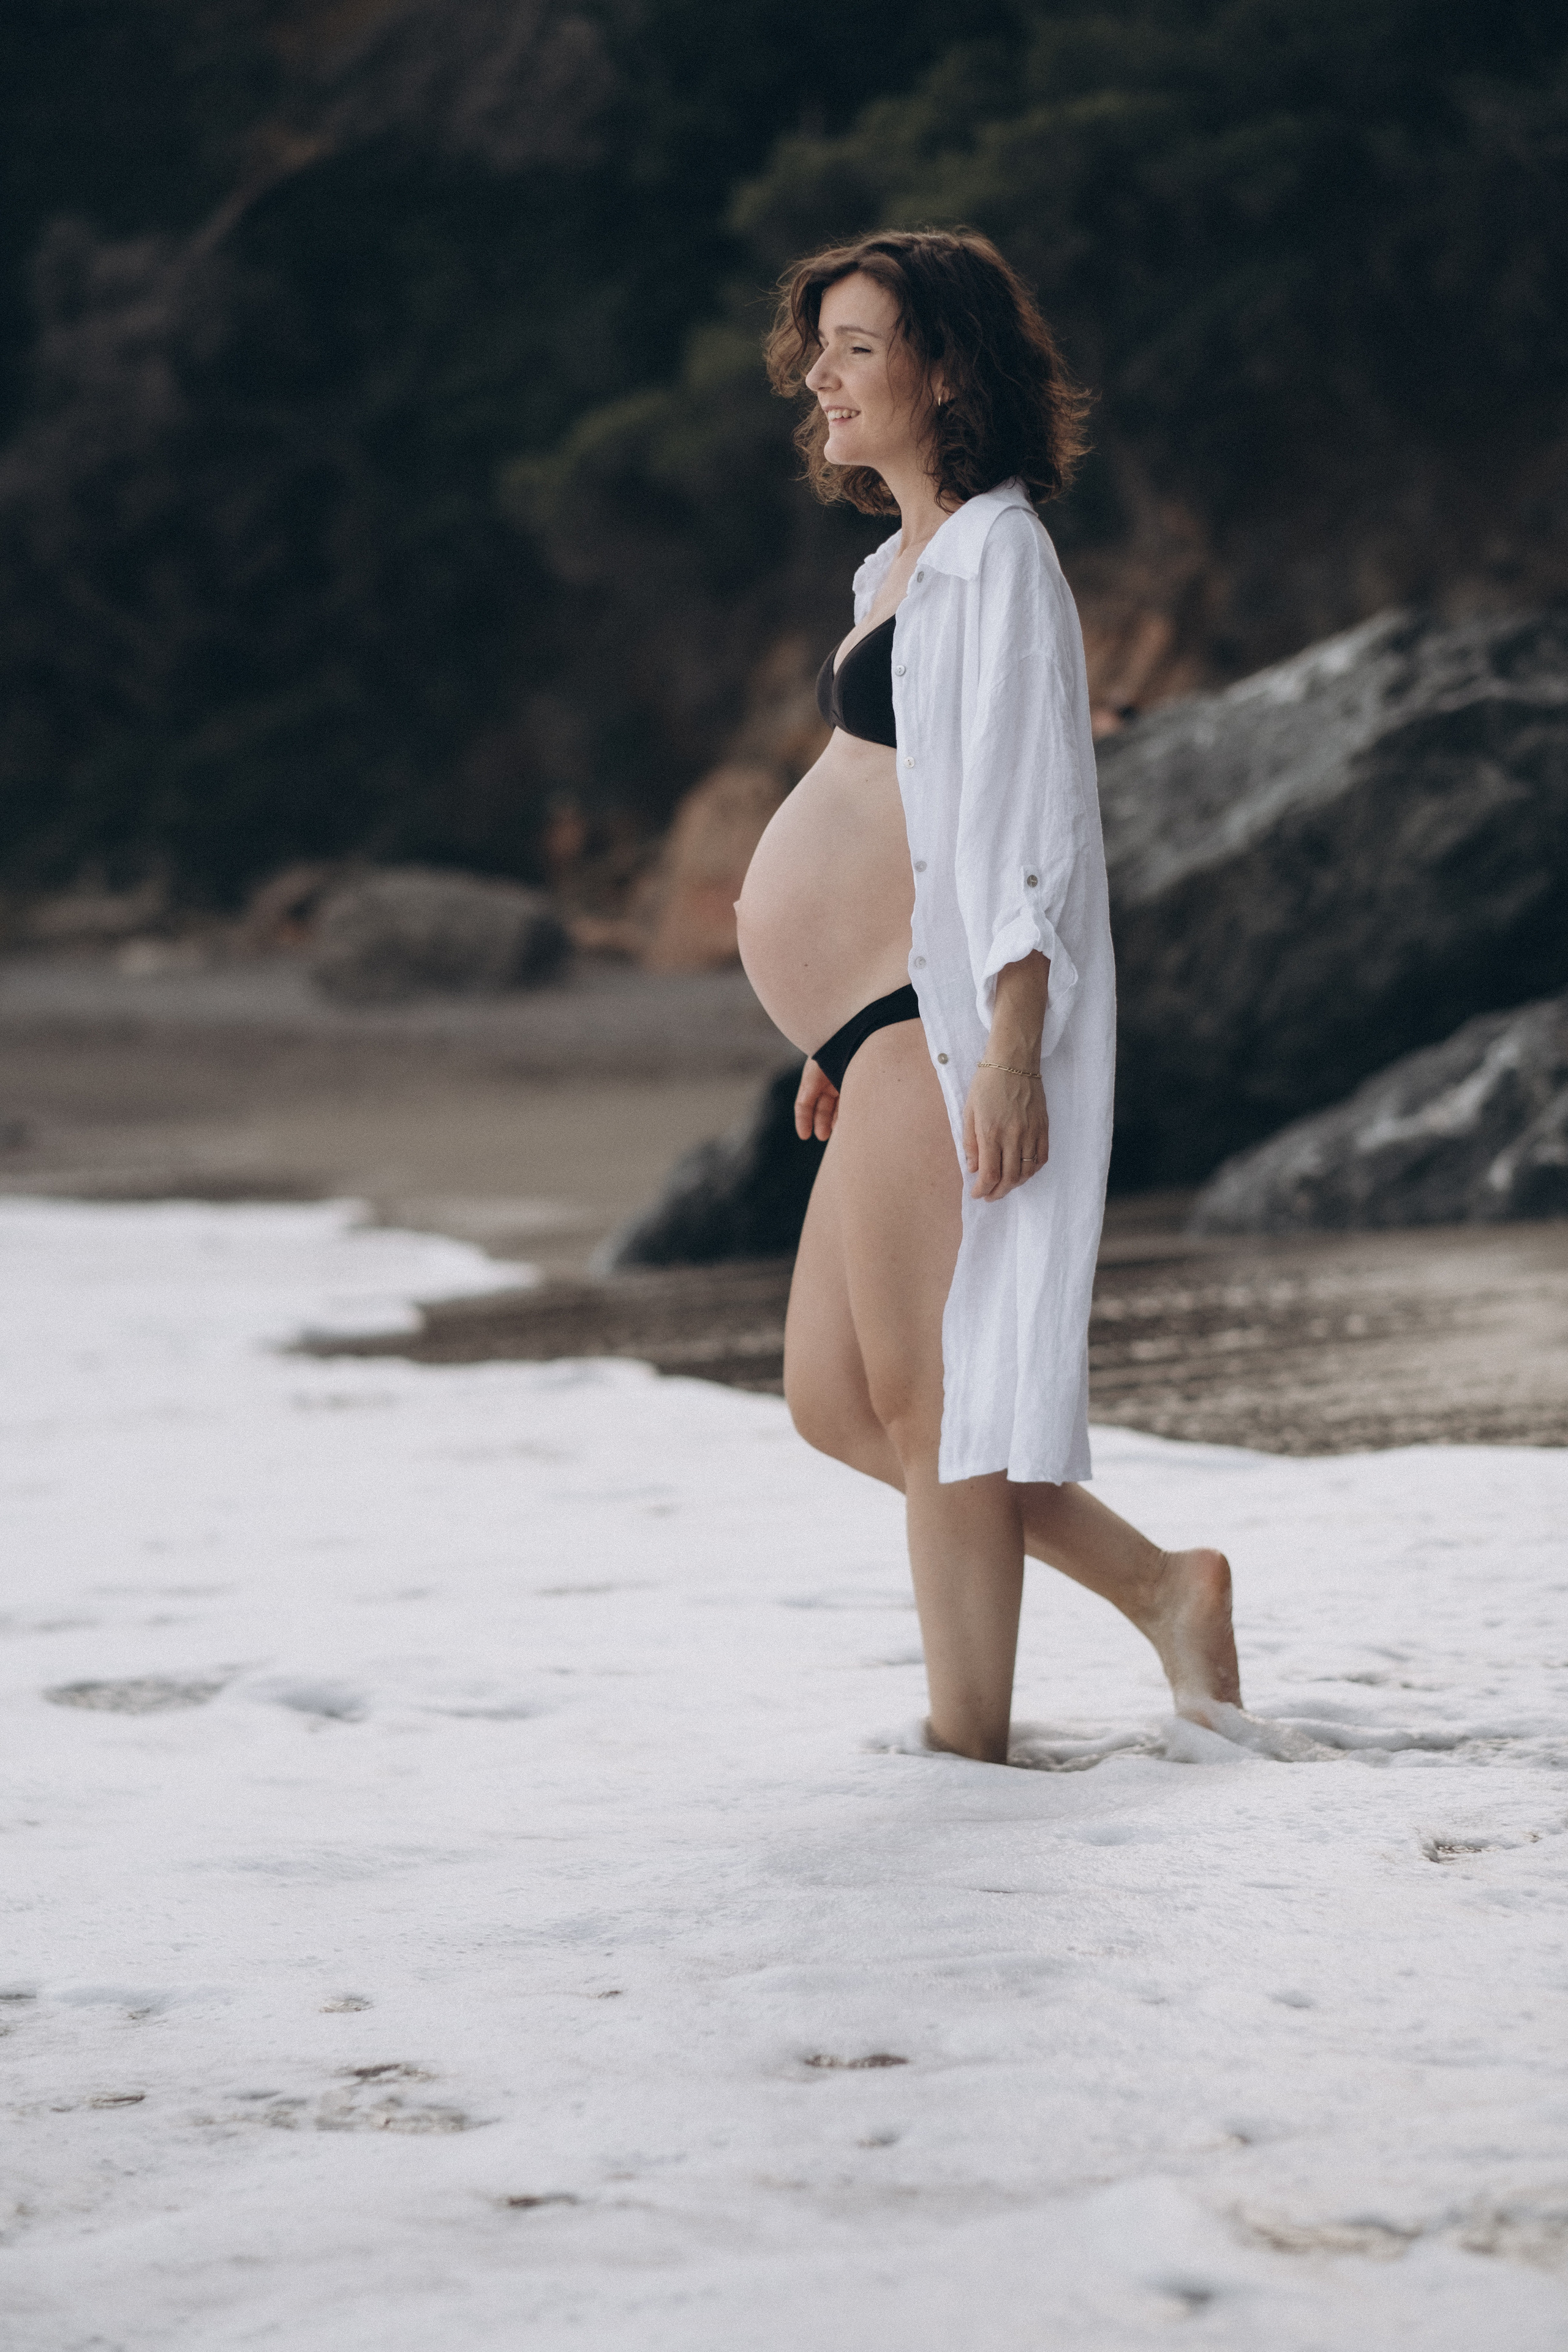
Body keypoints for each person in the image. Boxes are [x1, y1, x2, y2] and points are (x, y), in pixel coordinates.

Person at [735, 228, 1243, 1764]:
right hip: (873, 1028)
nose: (820, 374)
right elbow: (909, 809)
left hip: (936, 1022)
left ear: (944, 372)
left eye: (858, 347)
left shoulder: (996, 553)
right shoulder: (893, 562)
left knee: (930, 1406)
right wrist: (822, 1029)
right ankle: (1159, 1587)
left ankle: (969, 1758)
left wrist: (1004, 1045)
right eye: (818, 346)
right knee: (834, 1401)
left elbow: (1021, 818)